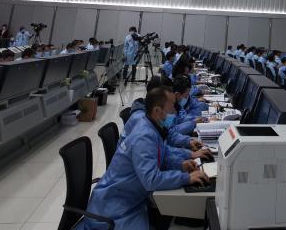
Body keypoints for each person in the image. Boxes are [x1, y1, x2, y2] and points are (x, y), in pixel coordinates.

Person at [85, 86, 208, 230]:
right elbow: (152, 180)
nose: (175, 112)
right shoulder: (144, 136)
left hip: (129, 198)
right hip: (113, 209)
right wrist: (186, 178)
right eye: (171, 109)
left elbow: (163, 153)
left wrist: (181, 164)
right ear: (157, 111)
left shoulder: (150, 126)